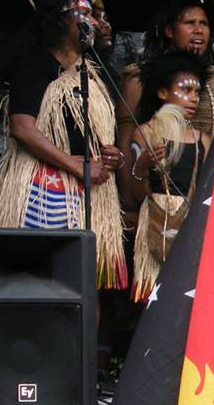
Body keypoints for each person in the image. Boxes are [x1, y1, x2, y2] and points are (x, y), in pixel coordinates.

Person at [0, 0, 125, 288]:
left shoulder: (96, 75)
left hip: (90, 195)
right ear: (59, 20)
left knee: (87, 287)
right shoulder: (34, 66)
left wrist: (113, 157)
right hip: (41, 193)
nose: (92, 22)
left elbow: (101, 136)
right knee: (40, 284)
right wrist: (77, 165)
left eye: (93, 16)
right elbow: (22, 128)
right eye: (83, 14)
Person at [116, 0, 214, 220]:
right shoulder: (139, 77)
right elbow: (125, 141)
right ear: (169, 30)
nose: (198, 30)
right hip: (155, 199)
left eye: (204, 24)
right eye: (189, 23)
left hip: (201, 197)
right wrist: (128, 202)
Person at [129, 51, 210, 303]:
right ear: (162, 93)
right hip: (154, 220)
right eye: (186, 90)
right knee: (153, 300)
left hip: (189, 226)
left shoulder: (201, 138)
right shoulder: (145, 132)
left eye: (197, 93)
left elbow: (206, 192)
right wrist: (142, 165)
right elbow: (136, 194)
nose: (193, 99)